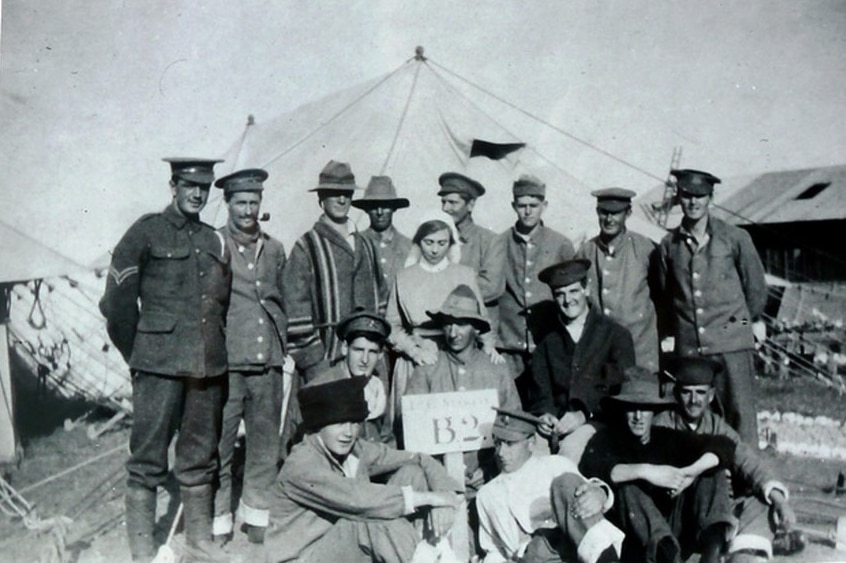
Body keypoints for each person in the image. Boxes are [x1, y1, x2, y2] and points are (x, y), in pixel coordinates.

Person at [99, 157, 230, 561]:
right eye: (189, 185)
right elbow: (117, 305)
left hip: (205, 369)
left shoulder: (214, 240)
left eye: (204, 187)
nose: (197, 194)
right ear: (172, 185)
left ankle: (199, 543)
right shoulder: (146, 232)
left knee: (199, 456)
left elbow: (219, 306)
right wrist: (140, 355)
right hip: (157, 368)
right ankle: (142, 551)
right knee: (147, 460)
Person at [265, 377, 464, 563]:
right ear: (319, 425)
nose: (348, 432)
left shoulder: (355, 449)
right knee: (373, 518)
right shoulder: (302, 464)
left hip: (342, 547)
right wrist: (432, 498)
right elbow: (360, 500)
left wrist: (445, 494)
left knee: (412, 474)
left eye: (354, 423)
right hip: (304, 556)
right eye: (339, 423)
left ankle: (428, 551)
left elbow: (419, 458)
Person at [653, 357, 805, 561]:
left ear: (711, 396)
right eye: (686, 392)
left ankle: (742, 552)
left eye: (700, 393)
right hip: (677, 513)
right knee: (712, 473)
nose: (693, 400)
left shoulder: (718, 426)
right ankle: (714, 554)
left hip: (713, 516)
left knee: (760, 500)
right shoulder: (663, 423)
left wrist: (780, 502)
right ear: (676, 393)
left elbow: (749, 462)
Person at [658, 168, 768, 444]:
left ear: (711, 198)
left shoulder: (735, 238)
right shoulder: (669, 245)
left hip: (731, 347)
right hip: (691, 350)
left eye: (700, 196)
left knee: (740, 418)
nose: (693, 202)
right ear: (678, 198)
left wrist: (740, 328)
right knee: (694, 421)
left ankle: (747, 485)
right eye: (686, 196)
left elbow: (755, 291)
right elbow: (665, 295)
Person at [210, 168, 287, 545]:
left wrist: (281, 345)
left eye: (254, 202)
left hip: (267, 362)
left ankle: (257, 518)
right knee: (219, 445)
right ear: (227, 204)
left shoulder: (274, 248)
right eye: (240, 202)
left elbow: (281, 299)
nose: (248, 210)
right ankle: (218, 521)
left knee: (264, 445)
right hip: (227, 365)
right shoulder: (214, 245)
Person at [580, 378, 736, 563]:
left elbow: (724, 445)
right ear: (622, 410)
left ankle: (712, 553)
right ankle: (666, 553)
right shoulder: (608, 438)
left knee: (711, 472)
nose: (638, 416)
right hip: (635, 538)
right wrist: (647, 472)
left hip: (675, 527)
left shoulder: (666, 437)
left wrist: (690, 473)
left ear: (653, 411)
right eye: (631, 409)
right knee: (629, 488)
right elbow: (594, 466)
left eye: (645, 409)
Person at [405, 284, 520, 491]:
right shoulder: (427, 368)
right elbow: (412, 430)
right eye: (448, 325)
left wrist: (490, 468)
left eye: (461, 325)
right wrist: (438, 473)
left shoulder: (495, 369)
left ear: (476, 328)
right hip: (436, 480)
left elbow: (514, 426)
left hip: (489, 478)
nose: (453, 333)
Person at [284, 160, 390, 380]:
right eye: (334, 193)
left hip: (367, 362)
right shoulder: (307, 246)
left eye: (347, 194)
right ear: (321, 198)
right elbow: (295, 312)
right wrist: (315, 362)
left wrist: (375, 349)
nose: (342, 199)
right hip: (326, 361)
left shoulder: (366, 244)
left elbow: (381, 298)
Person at [476, 408, 624, 563]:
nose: (501, 452)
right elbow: (493, 550)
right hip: (529, 557)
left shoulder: (554, 465)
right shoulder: (487, 494)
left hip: (573, 550)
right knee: (537, 547)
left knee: (566, 482)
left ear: (531, 443)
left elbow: (589, 493)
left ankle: (606, 558)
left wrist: (600, 492)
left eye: (510, 444)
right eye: (498, 443)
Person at [527, 259, 635, 460]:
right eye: (560, 294)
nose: (567, 301)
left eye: (573, 291)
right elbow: (540, 391)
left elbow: (620, 390)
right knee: (530, 453)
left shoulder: (615, 334)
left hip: (599, 421)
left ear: (587, 289)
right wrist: (545, 415)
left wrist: (584, 413)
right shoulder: (547, 340)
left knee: (570, 451)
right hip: (556, 423)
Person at [385, 216, 489, 425]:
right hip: (416, 359)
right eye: (428, 242)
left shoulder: (464, 274)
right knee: (415, 426)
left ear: (450, 244)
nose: (434, 250)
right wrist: (414, 351)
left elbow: (482, 321)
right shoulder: (404, 277)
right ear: (418, 242)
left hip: (457, 358)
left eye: (442, 243)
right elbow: (392, 325)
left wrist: (489, 346)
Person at [497, 174, 575, 400]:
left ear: (545, 206)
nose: (528, 211)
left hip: (547, 344)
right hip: (509, 347)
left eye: (534, 205)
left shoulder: (560, 244)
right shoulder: (499, 243)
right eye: (522, 206)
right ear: (514, 206)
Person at [577, 188, 661, 372]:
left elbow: (662, 296)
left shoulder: (646, 249)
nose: (609, 219)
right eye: (604, 212)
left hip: (640, 351)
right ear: (597, 212)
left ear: (628, 213)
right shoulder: (586, 252)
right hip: (601, 352)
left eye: (616, 213)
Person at [308, 308, 393, 444]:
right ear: (344, 348)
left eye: (372, 352)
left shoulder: (376, 386)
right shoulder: (323, 388)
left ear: (381, 355)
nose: (365, 360)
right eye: (358, 350)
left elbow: (387, 437)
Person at [438, 172, 506, 326]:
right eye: (443, 202)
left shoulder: (491, 241)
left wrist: (441, 289)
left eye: (452, 202)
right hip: (444, 327)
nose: (445, 208)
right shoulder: (435, 239)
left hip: (479, 329)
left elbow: (491, 287)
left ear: (470, 205)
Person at [353, 175, 413, 287]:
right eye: (374, 206)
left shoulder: (408, 247)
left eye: (385, 205)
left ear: (394, 208)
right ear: (366, 209)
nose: (380, 212)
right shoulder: (356, 244)